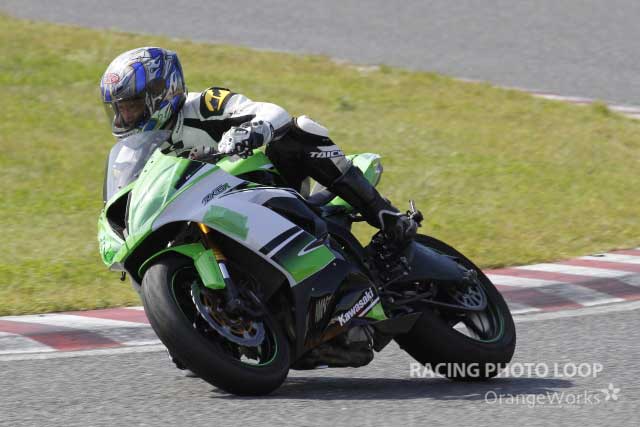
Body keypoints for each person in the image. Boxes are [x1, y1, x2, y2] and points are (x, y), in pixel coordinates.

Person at [100, 46, 417, 246]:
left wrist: (250, 132)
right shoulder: (137, 151)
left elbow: (273, 113)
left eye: (132, 106)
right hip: (202, 214)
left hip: (260, 189)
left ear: (162, 92)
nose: (124, 117)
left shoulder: (204, 105)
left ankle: (386, 216)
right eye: (119, 109)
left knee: (298, 131)